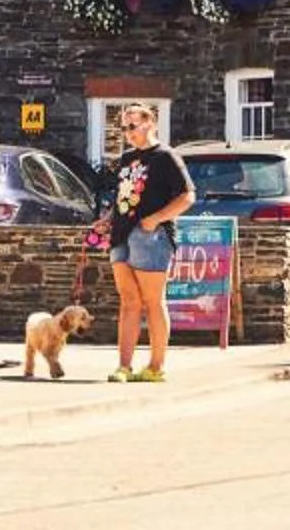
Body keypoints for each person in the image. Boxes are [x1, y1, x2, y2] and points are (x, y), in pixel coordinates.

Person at [105, 104, 193, 383]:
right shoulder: (126, 158)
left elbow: (187, 196)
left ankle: (156, 366)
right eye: (124, 127)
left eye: (133, 126)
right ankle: (124, 366)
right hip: (121, 233)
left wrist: (155, 220)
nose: (128, 133)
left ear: (150, 124)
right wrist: (108, 218)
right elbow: (123, 195)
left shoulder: (166, 157)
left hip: (151, 236)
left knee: (153, 301)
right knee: (128, 301)